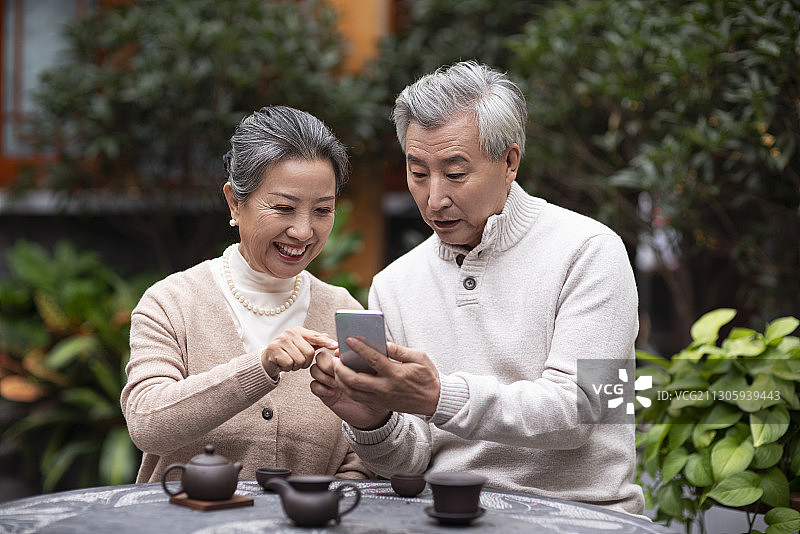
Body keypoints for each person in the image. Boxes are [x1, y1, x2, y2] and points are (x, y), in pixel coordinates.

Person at [310, 61, 645, 515]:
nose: (434, 199)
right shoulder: (395, 283)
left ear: (510, 162)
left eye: (455, 173)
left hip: (583, 514)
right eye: (418, 173)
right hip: (443, 514)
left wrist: (438, 396)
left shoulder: (595, 251)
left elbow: (585, 413)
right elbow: (407, 464)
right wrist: (374, 420)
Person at [121, 105, 371, 483]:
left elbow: (365, 454)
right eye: (284, 208)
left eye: (323, 210)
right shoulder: (171, 302)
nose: (303, 232)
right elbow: (146, 422)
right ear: (235, 203)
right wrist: (261, 365)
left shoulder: (345, 312)